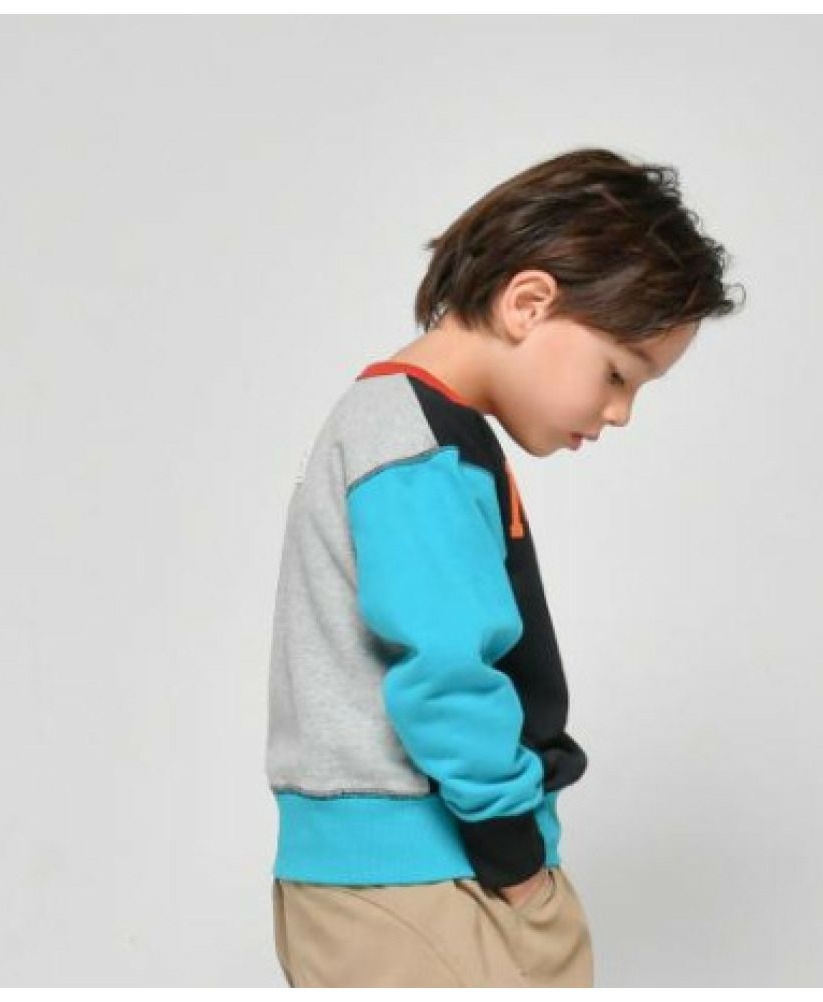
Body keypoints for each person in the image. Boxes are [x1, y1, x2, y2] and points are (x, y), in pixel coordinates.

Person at [265, 146, 743, 987]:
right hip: (428, 877)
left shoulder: (405, 428)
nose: (621, 412)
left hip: (408, 874)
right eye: (618, 373)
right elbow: (446, 672)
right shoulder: (418, 450)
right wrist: (514, 855)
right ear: (529, 303)